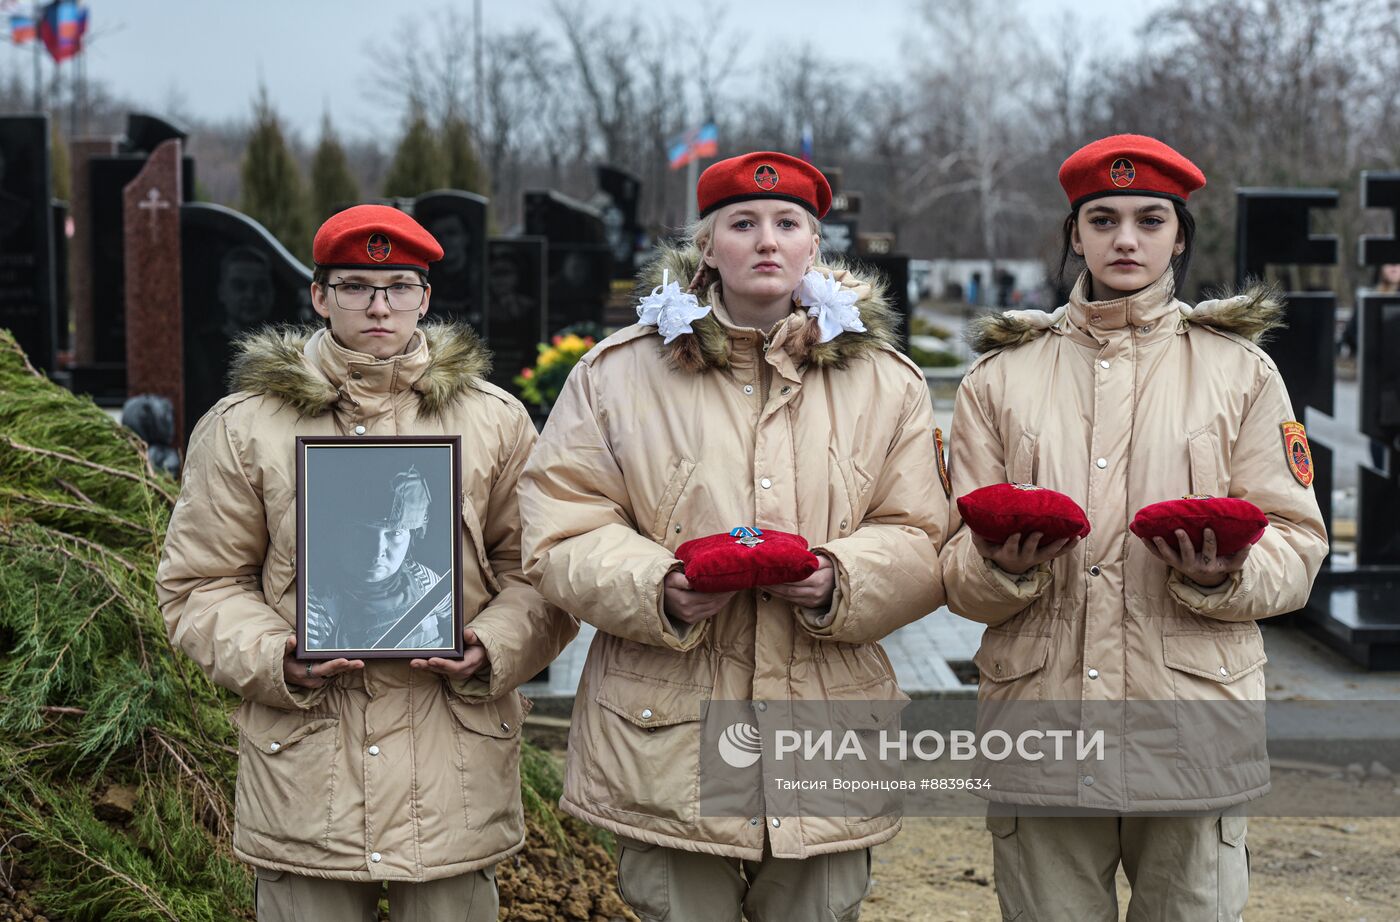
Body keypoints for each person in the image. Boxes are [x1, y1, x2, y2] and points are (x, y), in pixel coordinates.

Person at [518, 151, 948, 922]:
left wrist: (839, 579)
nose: (766, 241)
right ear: (707, 246)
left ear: (815, 246)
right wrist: (660, 588)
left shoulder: (887, 382)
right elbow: (561, 528)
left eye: (788, 224)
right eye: (742, 224)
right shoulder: (618, 375)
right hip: (669, 741)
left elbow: (921, 535)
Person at [942, 135, 1327, 921]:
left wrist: (1228, 576)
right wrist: (1001, 571)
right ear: (1073, 235)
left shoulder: (1241, 371)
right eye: (1103, 218)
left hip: (1192, 732)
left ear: (1179, 236)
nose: (1126, 238)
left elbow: (1299, 540)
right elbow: (948, 561)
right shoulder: (1000, 376)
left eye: (1150, 220)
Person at [157, 204, 576, 921]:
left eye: (399, 287)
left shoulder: (495, 420)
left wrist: (495, 645)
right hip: (306, 774)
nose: (379, 305)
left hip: (452, 776)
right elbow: (200, 585)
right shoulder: (245, 425)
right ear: (319, 296)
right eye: (355, 286)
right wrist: (271, 654)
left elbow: (541, 572)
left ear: (426, 297)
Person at [304, 465, 453, 652]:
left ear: (412, 536)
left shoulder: (424, 579)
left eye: (395, 533)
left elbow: (459, 626)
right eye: (361, 532)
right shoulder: (321, 600)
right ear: (338, 533)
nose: (376, 551)